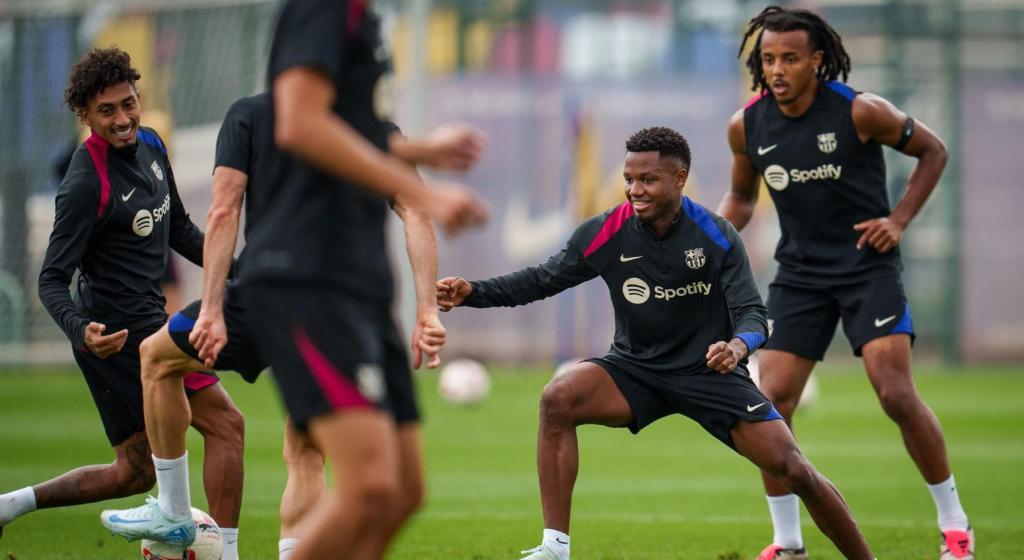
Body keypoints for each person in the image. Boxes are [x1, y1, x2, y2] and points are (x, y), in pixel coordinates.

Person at [438, 127, 875, 560]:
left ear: (680, 179)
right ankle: (555, 549)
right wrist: (473, 292)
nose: (634, 189)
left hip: (710, 375)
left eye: (647, 180)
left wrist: (737, 348)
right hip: (636, 371)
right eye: (629, 179)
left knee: (795, 469)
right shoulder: (605, 231)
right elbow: (540, 280)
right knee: (558, 398)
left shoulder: (717, 234)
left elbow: (754, 315)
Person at [100, 90, 485, 560]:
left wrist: (213, 307)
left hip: (269, 293)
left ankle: (175, 511)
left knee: (156, 357)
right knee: (307, 455)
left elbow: (224, 211)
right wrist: (426, 310)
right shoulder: (371, 126)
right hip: (342, 312)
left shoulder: (249, 115)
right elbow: (416, 210)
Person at [717, 6, 972, 560]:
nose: (777, 68)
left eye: (789, 58)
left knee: (895, 392)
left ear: (817, 60)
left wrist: (898, 220)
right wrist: (708, 240)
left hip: (866, 269)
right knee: (770, 402)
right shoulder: (748, 125)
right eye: (767, 59)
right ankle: (788, 544)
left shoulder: (861, 112)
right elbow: (740, 198)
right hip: (800, 276)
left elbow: (934, 151)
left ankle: (955, 528)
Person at [0, 48, 245, 548]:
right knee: (227, 425)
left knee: (134, 473)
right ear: (85, 116)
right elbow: (50, 279)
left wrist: (239, 271)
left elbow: (178, 229)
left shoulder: (153, 144)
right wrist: (80, 330)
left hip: (146, 318)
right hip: (114, 334)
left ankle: (8, 505)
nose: (122, 119)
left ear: (140, 99)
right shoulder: (84, 182)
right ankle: (229, 554)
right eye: (106, 110)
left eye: (128, 103)